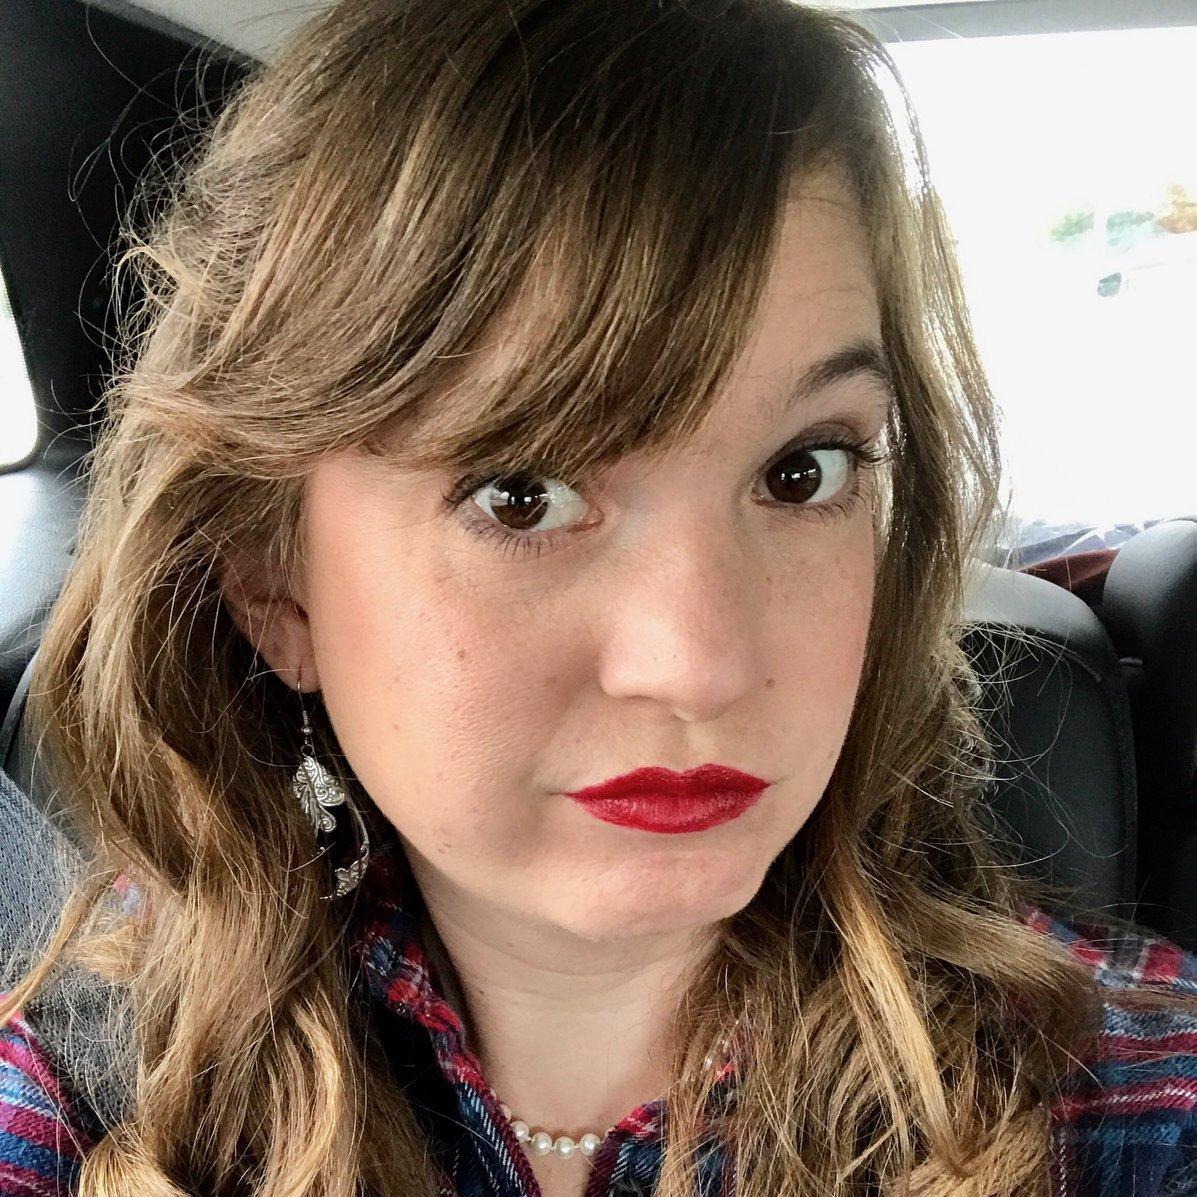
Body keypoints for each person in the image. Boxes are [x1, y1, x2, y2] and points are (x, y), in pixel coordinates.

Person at [0, 1, 1194, 1195]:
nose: (699, 665)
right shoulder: (97, 1104)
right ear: (275, 587)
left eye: (804, 471)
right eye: (521, 495)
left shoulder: (1129, 1104)